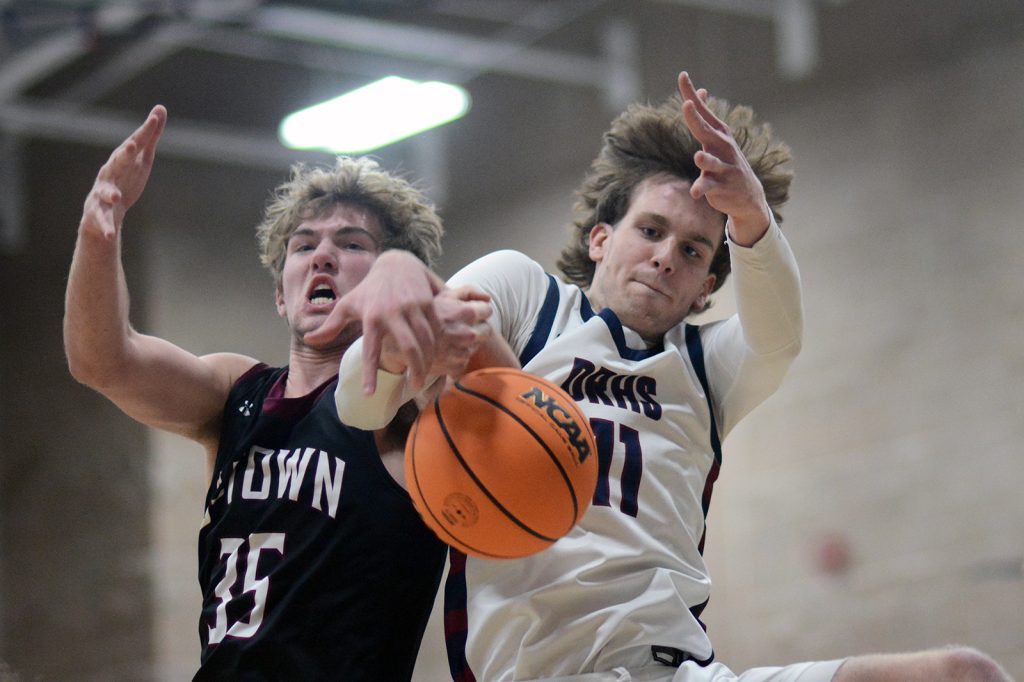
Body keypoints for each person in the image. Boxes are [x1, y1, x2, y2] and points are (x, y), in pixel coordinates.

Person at [316, 72, 1013, 682]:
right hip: (539, 668)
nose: (665, 257)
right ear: (600, 239)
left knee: (966, 674)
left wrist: (751, 215)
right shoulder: (529, 299)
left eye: (693, 250)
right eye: (650, 231)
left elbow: (781, 335)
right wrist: (403, 297)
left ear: (707, 286)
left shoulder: (708, 369)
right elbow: (358, 403)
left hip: (677, 669)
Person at [62, 105, 493, 681]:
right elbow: (102, 362)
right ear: (281, 297)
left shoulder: (412, 412)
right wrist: (100, 229)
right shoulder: (234, 394)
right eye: (304, 245)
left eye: (352, 244)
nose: (323, 255)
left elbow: (469, 363)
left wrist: (423, 295)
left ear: (392, 281)